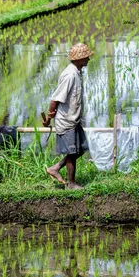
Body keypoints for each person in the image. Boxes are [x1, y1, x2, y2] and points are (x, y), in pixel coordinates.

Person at [43, 43, 93, 189]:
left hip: (74, 119)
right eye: (86, 57)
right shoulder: (69, 75)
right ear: (79, 59)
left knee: (81, 149)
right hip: (66, 121)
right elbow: (55, 99)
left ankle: (55, 168)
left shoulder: (77, 72)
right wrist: (49, 118)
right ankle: (71, 184)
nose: (89, 59)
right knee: (72, 152)